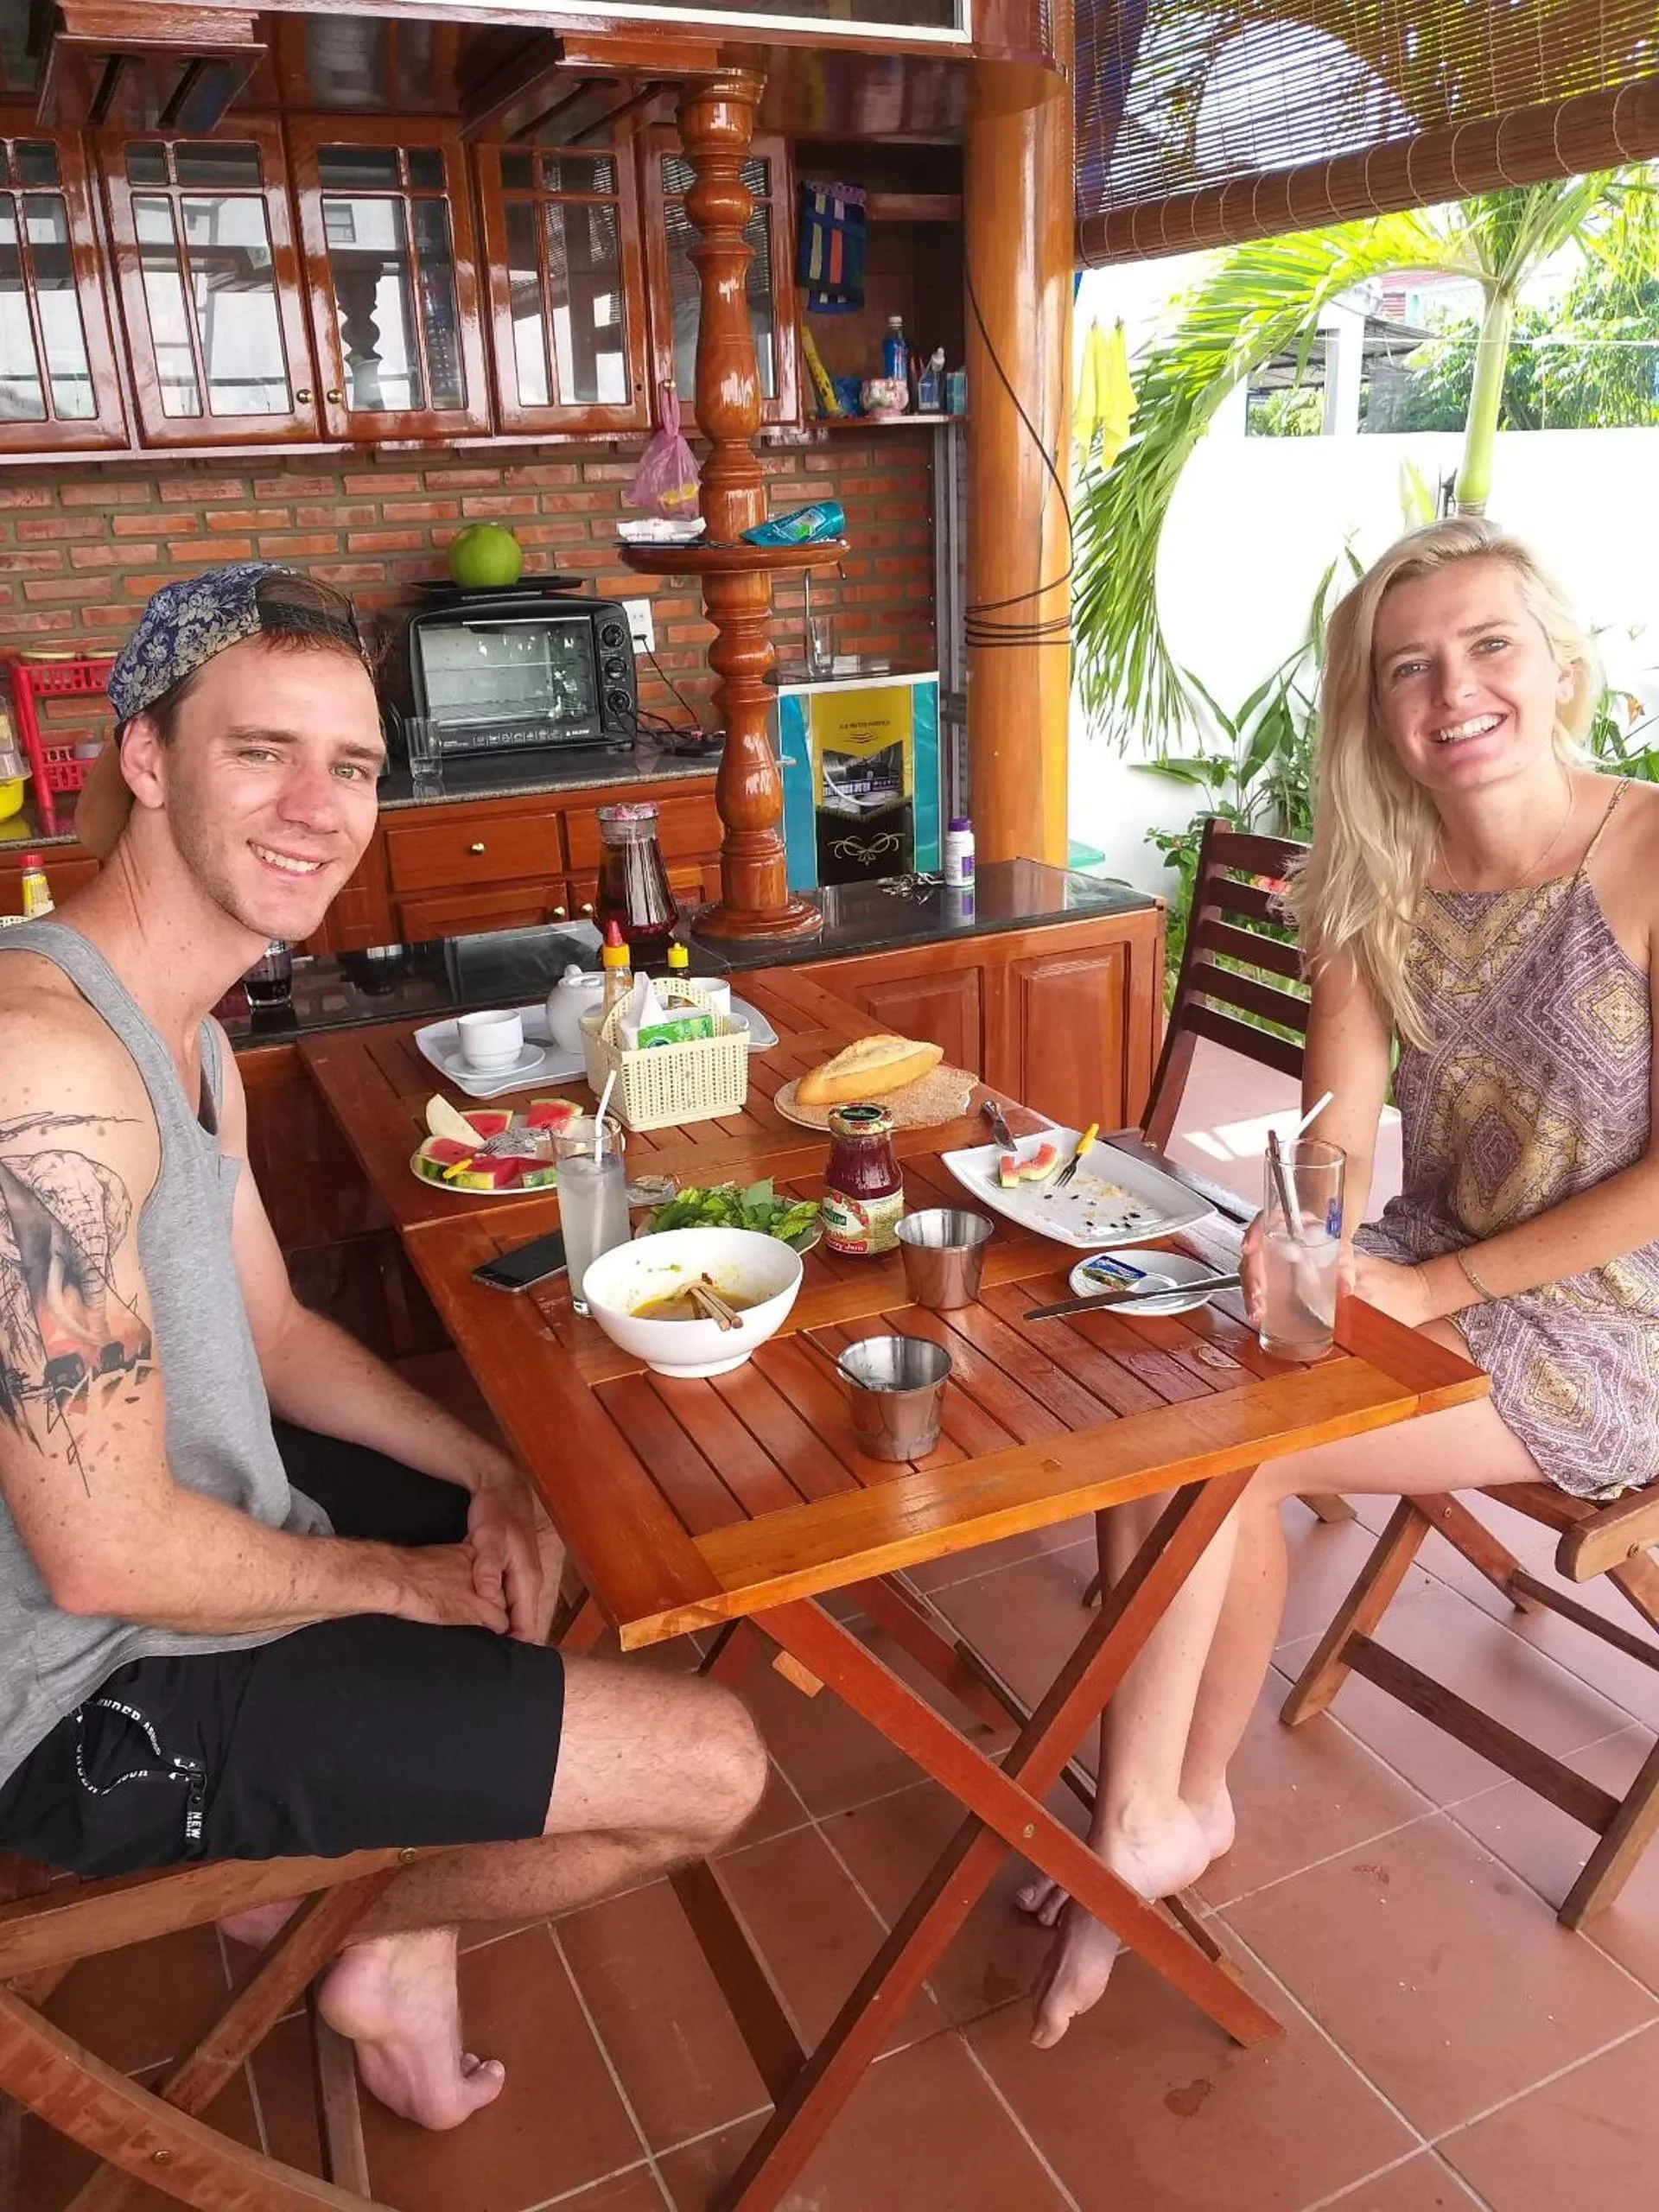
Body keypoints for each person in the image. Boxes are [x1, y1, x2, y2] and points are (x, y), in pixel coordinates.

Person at [0, 563, 768, 2130]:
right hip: (80, 1698)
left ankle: (375, 1932)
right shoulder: (42, 1071)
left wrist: (484, 1473)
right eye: (258, 751)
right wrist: (391, 1581)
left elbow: (274, 1332)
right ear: (142, 761)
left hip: (197, 1565)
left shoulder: (184, 1030)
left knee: (558, 1516)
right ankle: (380, 1934)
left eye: (349, 764)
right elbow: (100, 1556)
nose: (316, 807)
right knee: (712, 1768)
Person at [1020, 518, 1659, 2047]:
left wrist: (1420, 1297)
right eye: (1409, 668)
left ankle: (1155, 1808)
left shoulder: (1651, 857)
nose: (1456, 690)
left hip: (1622, 1318)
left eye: (1489, 646)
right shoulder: (1374, 878)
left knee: (1217, 1452)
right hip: (1433, 1261)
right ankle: (1166, 1796)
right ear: (1372, 707)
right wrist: (1313, 1237)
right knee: (1172, 1396)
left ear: (1558, 662)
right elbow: (1337, 1140)